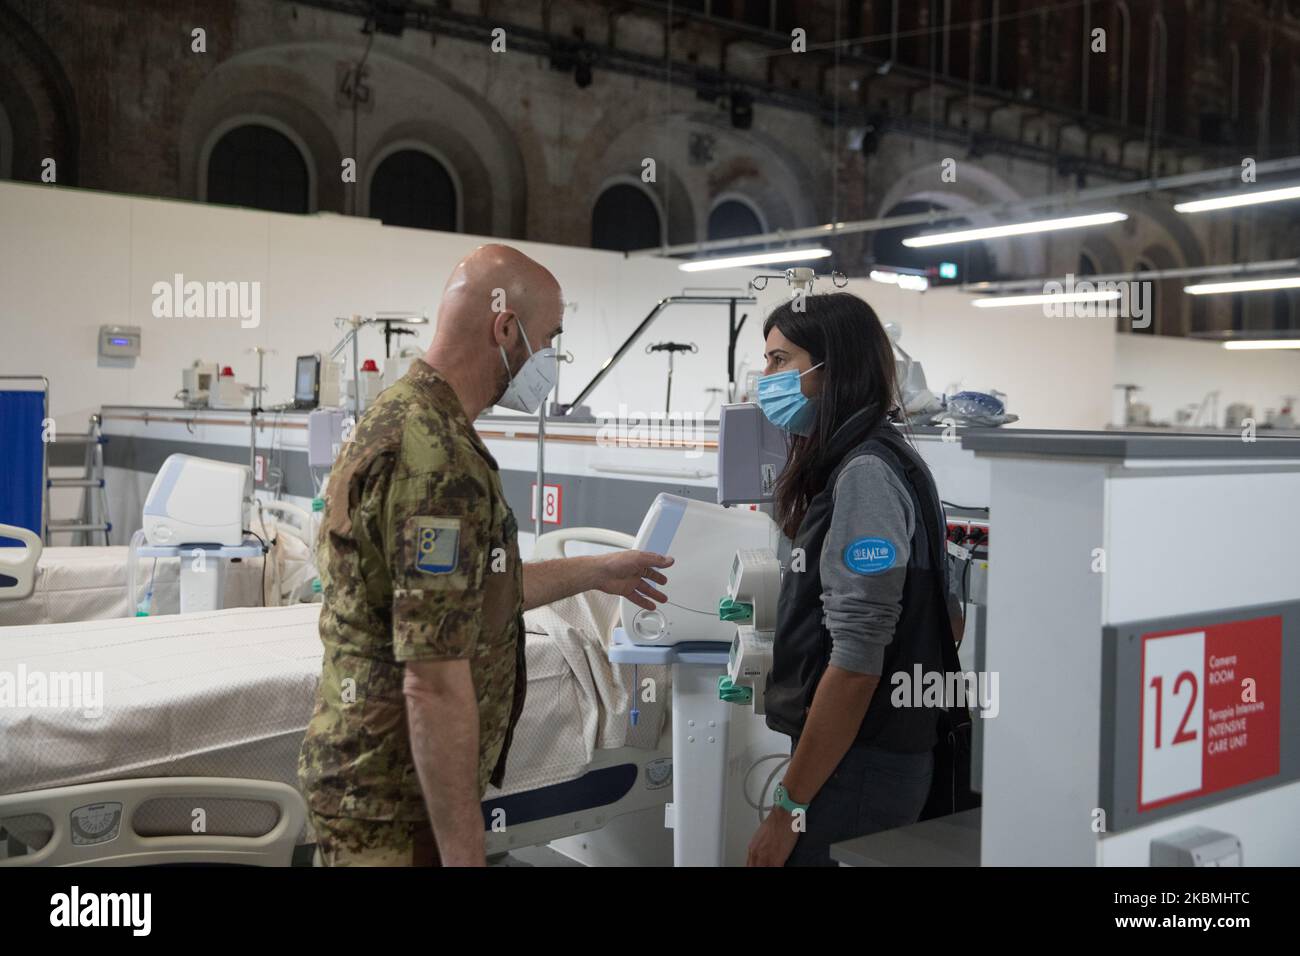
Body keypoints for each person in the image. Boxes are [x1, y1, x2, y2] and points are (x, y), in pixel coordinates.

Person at [298, 244, 673, 866]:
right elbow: (434, 682)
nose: (552, 360)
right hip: (395, 802)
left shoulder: (404, 414)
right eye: (551, 338)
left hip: (379, 785)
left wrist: (597, 571)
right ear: (506, 328)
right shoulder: (436, 457)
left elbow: (462, 598)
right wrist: (466, 852)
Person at [745, 292, 959, 867]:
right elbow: (948, 617)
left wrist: (788, 808)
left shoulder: (866, 474)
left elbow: (858, 663)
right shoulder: (877, 459)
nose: (764, 378)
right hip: (867, 754)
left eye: (779, 360)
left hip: (860, 767)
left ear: (831, 368)